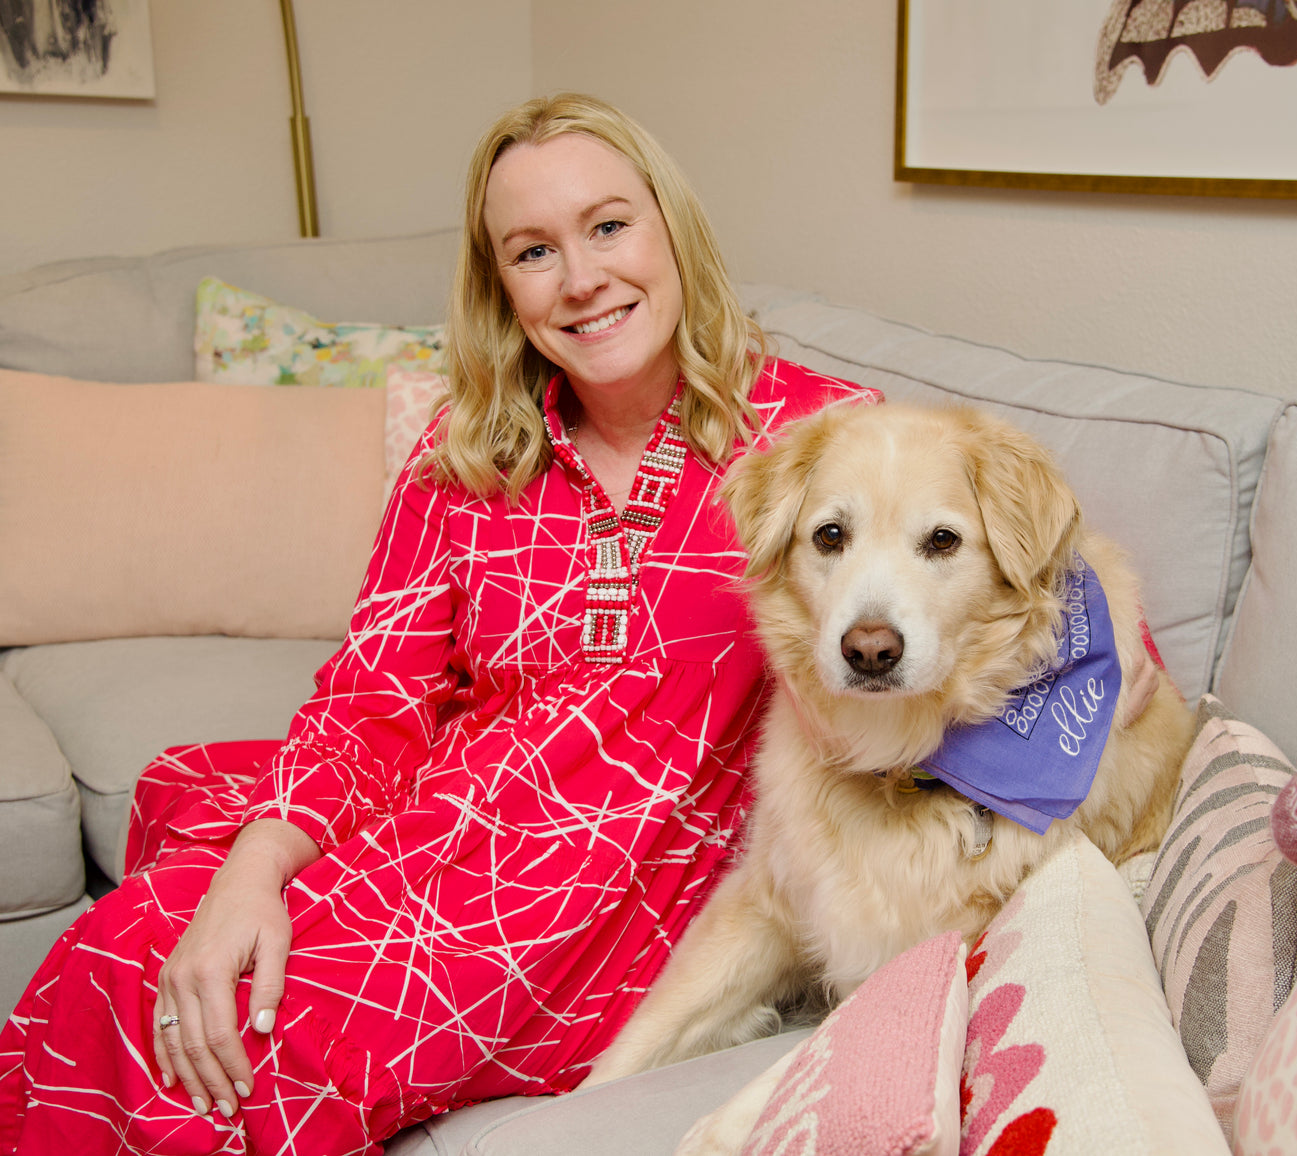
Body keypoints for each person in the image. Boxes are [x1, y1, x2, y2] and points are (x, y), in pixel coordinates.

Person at [0, 93, 877, 1155]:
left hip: (608, 905)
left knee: (222, 1039)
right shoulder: (463, 467)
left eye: (608, 226)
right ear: (502, 288)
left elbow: (983, 609)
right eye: (533, 250)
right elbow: (370, 699)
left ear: (670, 228)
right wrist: (250, 872)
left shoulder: (825, 440)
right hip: (435, 830)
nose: (582, 278)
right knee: (123, 947)